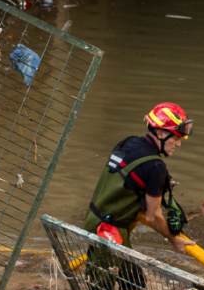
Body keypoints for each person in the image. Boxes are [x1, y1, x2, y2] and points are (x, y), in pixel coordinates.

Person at [84, 101, 197, 252]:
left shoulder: (128, 142)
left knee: (124, 274)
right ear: (161, 133)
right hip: (110, 233)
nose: (178, 144)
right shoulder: (156, 167)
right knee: (118, 276)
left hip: (93, 220)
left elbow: (127, 181)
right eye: (176, 138)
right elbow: (152, 217)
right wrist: (174, 239)